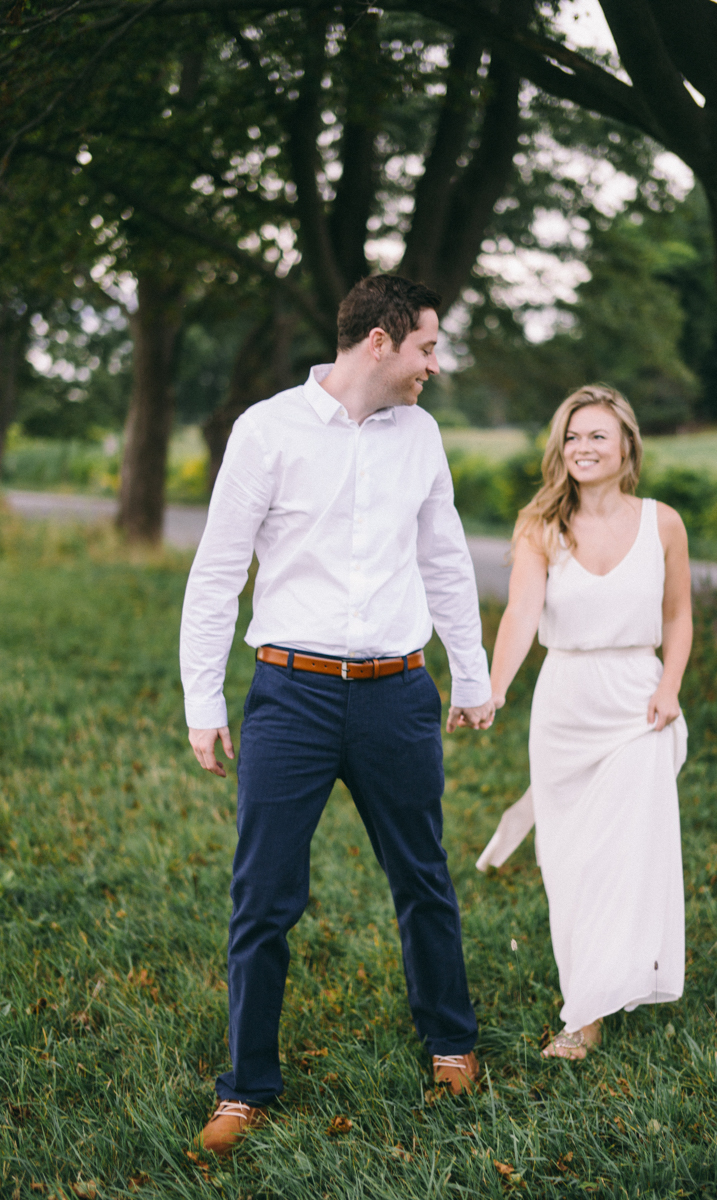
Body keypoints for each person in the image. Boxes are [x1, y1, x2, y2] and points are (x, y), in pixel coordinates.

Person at [180, 275, 495, 1155]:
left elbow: (446, 560)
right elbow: (216, 573)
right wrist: (203, 699)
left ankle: (451, 1041)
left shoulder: (421, 436)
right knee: (263, 896)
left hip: (398, 691)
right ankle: (246, 1087)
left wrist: (468, 674)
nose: (438, 363)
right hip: (292, 693)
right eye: (430, 346)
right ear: (383, 341)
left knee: (422, 876)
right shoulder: (267, 429)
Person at [478, 384, 692, 1059]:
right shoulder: (539, 523)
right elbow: (520, 614)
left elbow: (679, 616)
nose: (583, 448)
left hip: (637, 703)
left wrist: (670, 685)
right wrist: (496, 687)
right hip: (566, 705)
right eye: (572, 436)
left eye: (597, 435)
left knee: (621, 854)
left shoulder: (663, 523)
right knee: (569, 863)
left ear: (627, 444)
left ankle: (588, 1015)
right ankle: (591, 993)